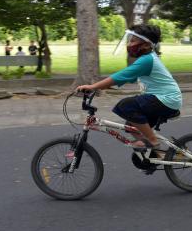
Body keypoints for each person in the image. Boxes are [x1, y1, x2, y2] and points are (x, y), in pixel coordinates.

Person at [76, 24, 182, 152]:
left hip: (166, 100)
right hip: (165, 99)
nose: (129, 44)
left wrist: (93, 87)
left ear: (146, 45)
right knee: (131, 126)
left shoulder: (147, 60)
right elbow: (125, 77)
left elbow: (120, 76)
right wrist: (106, 86)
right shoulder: (147, 59)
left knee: (125, 105)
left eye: (132, 41)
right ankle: (154, 156)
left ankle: (153, 142)